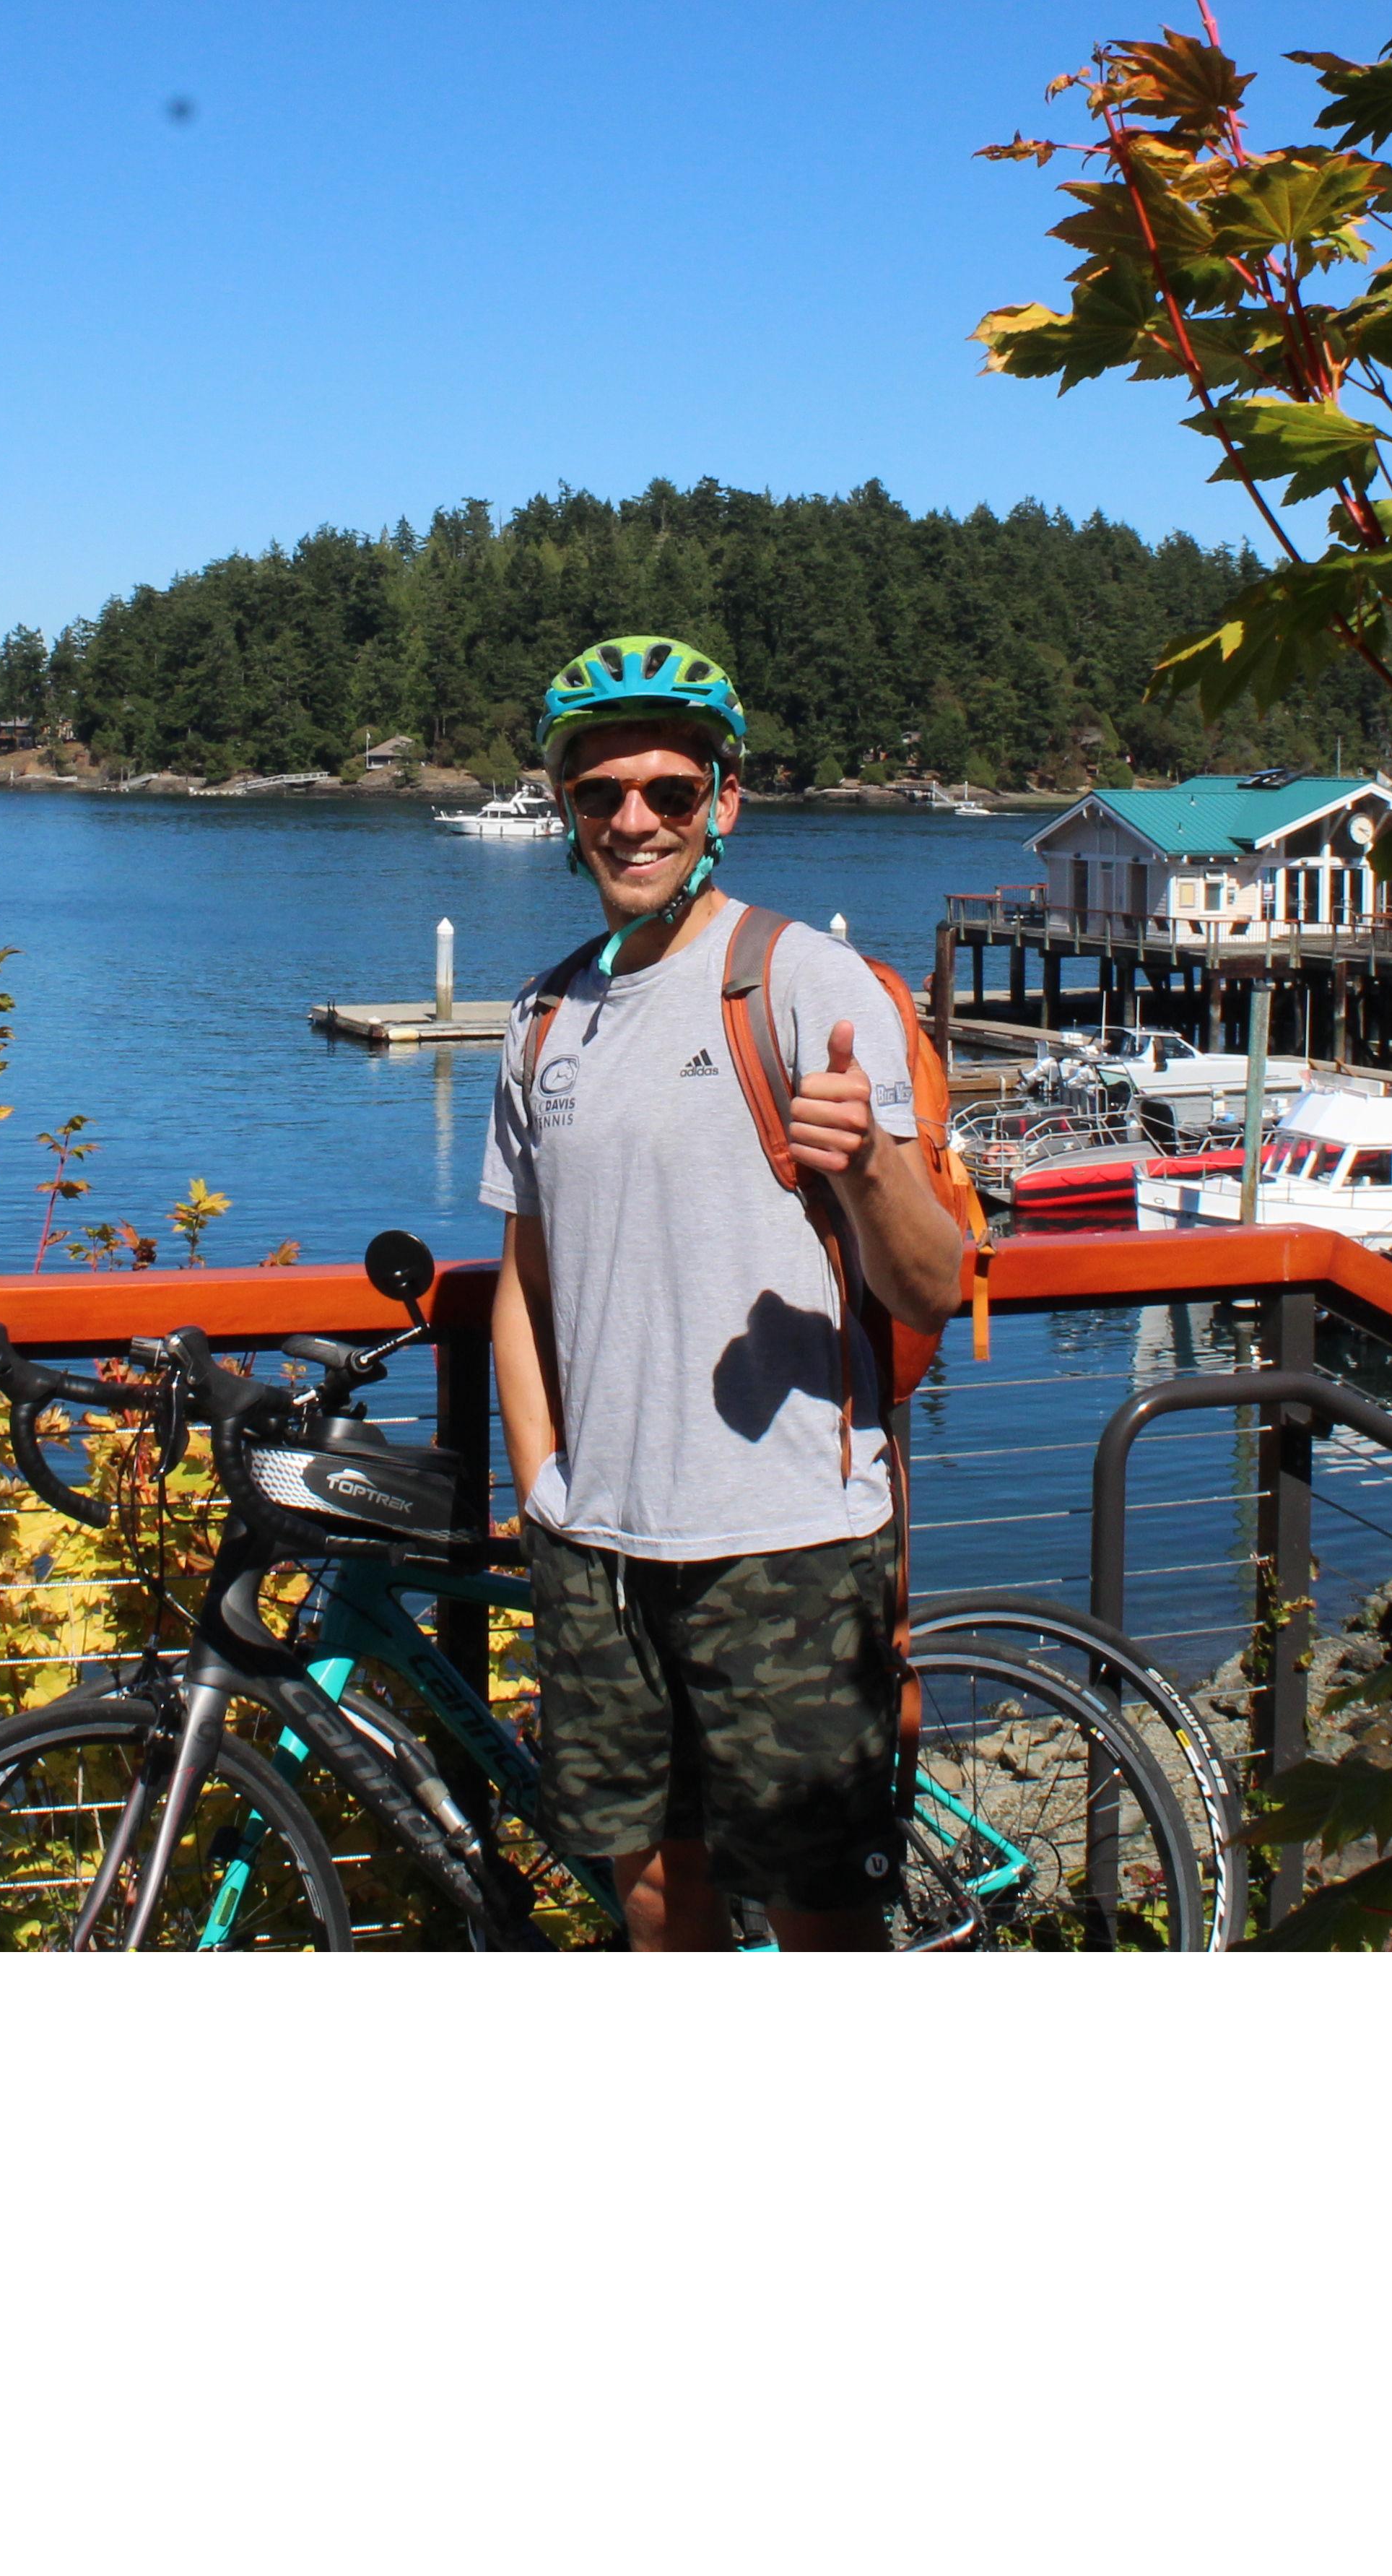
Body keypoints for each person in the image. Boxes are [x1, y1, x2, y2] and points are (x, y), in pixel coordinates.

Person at [480, 634, 964, 1951]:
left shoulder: (803, 980)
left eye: (669, 791)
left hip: (788, 1540)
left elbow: (933, 1282)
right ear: (567, 808)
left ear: (723, 804)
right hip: (599, 1548)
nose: (633, 820)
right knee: (652, 1899)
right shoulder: (543, 1017)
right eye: (600, 792)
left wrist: (867, 1166)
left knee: (818, 1922)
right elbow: (526, 1282)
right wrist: (544, 1487)